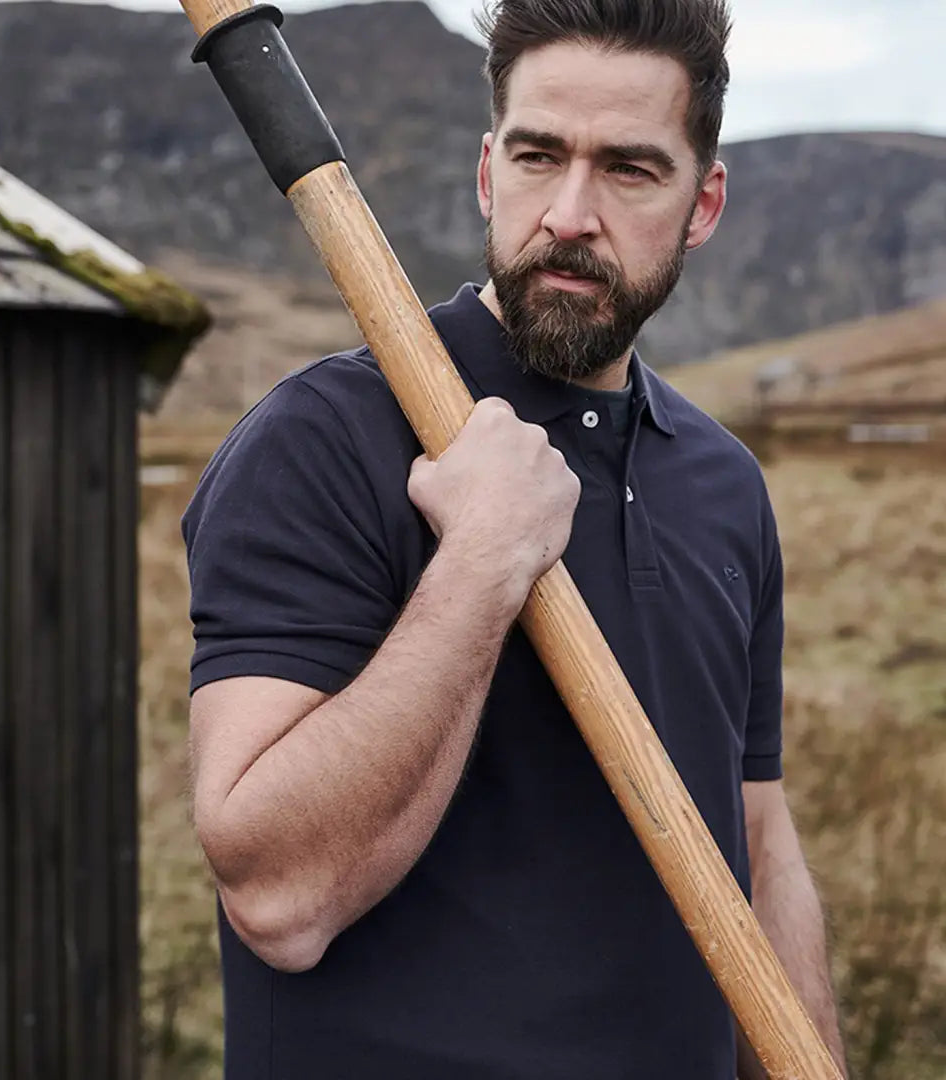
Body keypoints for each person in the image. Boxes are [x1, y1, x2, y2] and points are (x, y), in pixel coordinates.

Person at [181, 1, 849, 1076]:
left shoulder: (722, 482)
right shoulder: (323, 441)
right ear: (491, 171)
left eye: (630, 170)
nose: (570, 213)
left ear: (703, 202)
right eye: (541, 156)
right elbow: (276, 894)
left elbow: (759, 842)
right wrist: (484, 564)